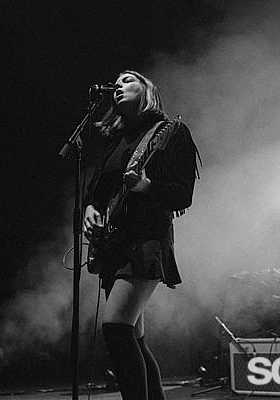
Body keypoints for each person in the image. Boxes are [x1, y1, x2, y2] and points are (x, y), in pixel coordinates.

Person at [83, 70, 199, 400]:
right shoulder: (115, 140)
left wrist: (147, 186)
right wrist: (90, 209)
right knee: (135, 339)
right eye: (116, 83)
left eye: (128, 80)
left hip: (146, 240)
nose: (118, 86)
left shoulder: (170, 133)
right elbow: (98, 192)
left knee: (116, 329)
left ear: (147, 91)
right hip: (115, 244)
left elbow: (183, 195)